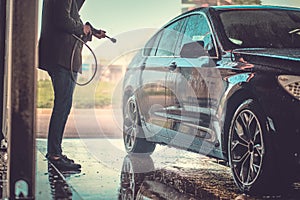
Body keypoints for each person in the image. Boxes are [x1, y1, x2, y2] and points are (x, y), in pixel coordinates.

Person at [38, 0, 106, 171]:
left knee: (63, 104)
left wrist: (91, 30)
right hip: (62, 57)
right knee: (62, 105)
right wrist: (82, 28)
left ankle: (55, 151)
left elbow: (69, 20)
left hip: (61, 55)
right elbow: (62, 20)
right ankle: (54, 154)